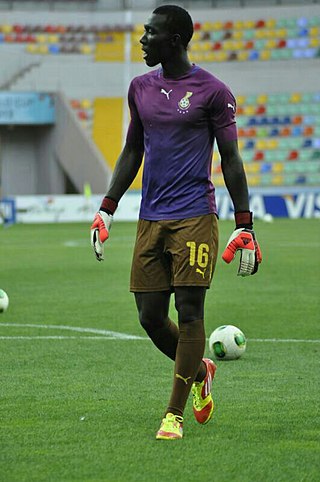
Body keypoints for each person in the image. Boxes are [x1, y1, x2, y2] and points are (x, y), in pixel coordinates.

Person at [91, 4, 262, 440]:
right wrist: (106, 208)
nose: (143, 39)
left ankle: (174, 413)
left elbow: (232, 160)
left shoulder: (213, 91)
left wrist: (245, 223)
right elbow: (133, 151)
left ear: (176, 40)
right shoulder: (140, 88)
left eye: (151, 32)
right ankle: (202, 371)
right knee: (149, 316)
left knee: (189, 313)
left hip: (195, 217)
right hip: (152, 218)